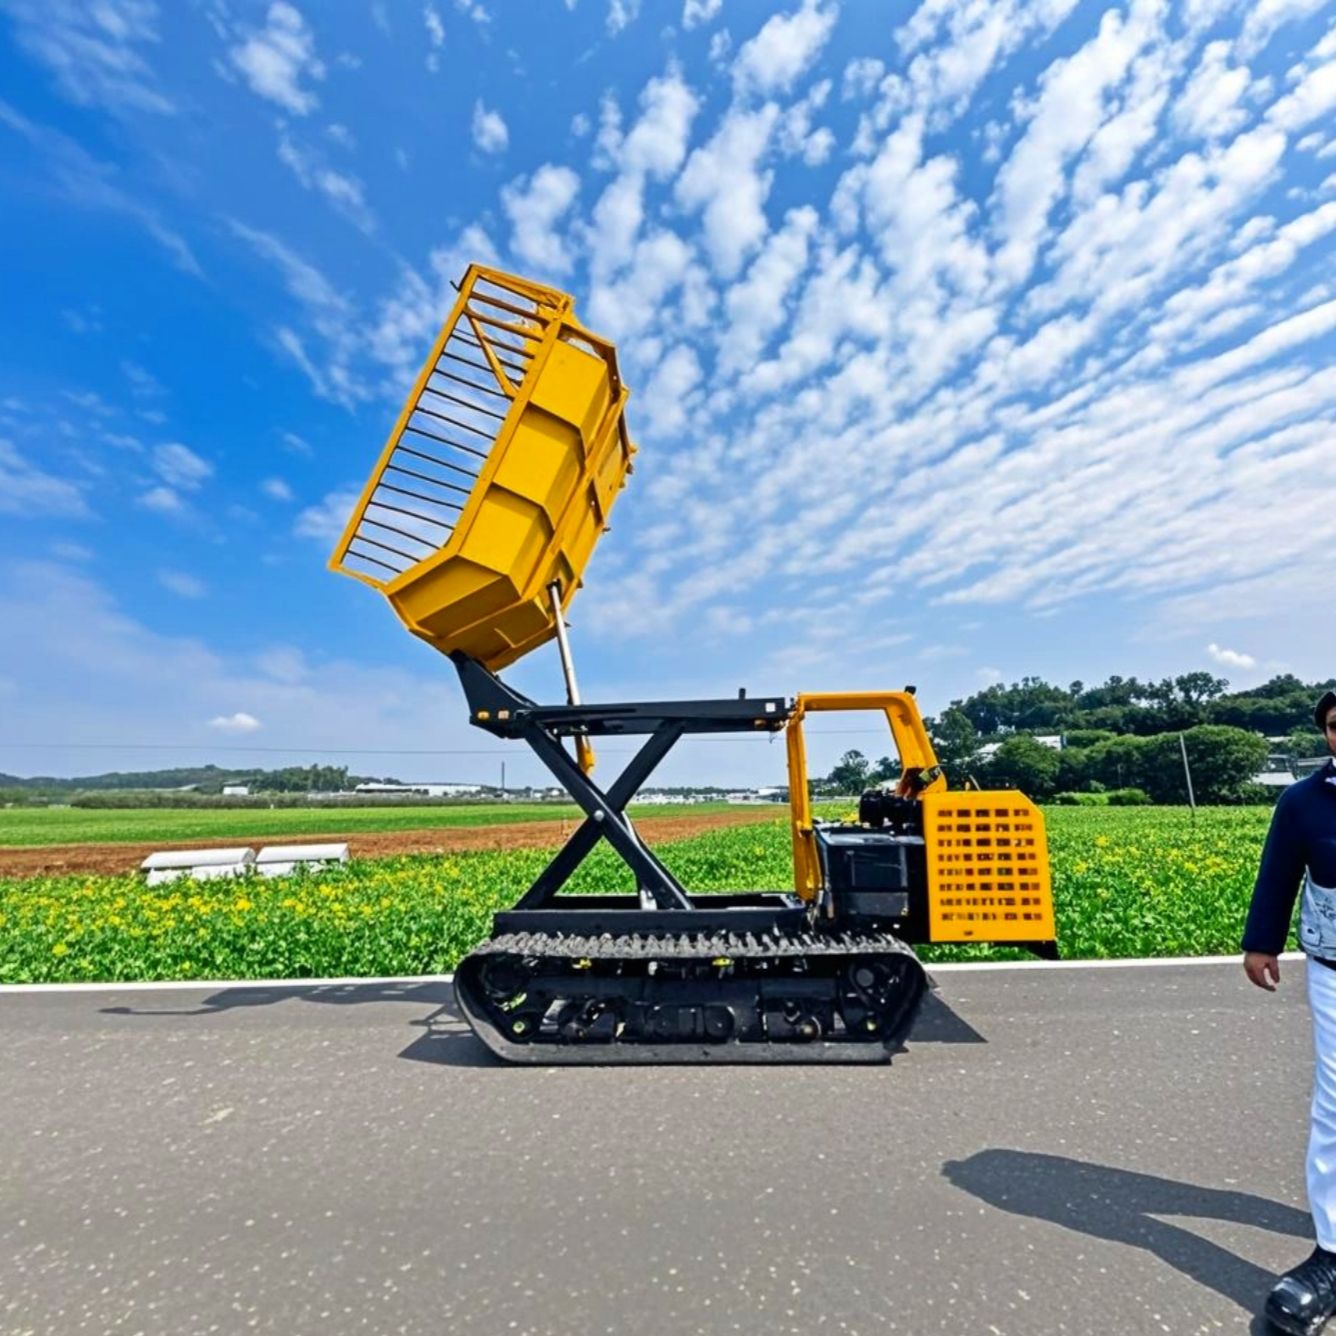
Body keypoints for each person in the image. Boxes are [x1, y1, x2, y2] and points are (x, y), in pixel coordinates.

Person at [1244, 688, 1336, 1335]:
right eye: (1335, 726)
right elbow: (1279, 873)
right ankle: (1334, 1254)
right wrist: (1260, 941)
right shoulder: (1302, 802)